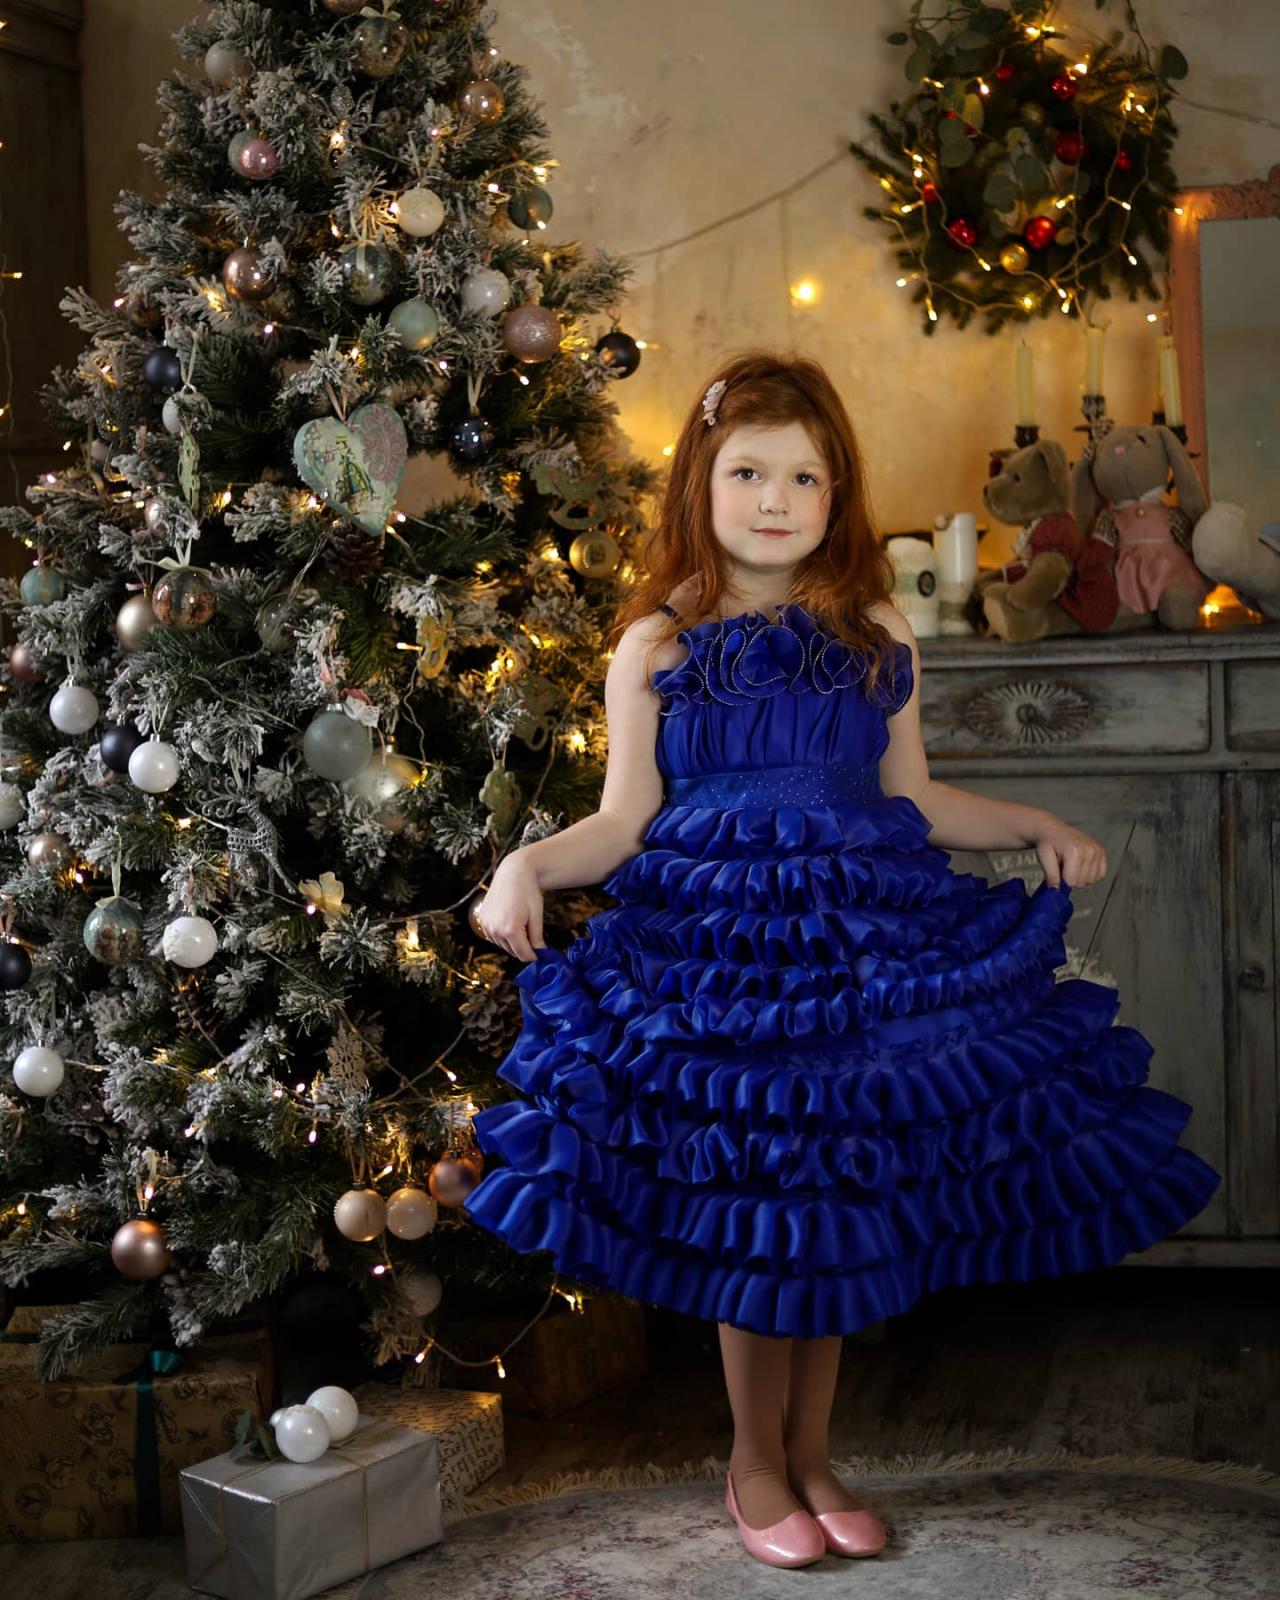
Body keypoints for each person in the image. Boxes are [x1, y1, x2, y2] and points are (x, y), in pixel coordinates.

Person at [463, 350, 1223, 1570]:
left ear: (836, 494)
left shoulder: (872, 630)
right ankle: (752, 1465)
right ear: (700, 483)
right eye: (747, 473)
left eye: (803, 478)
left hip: (852, 950)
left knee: (828, 1204)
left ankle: (813, 1456)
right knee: (763, 1207)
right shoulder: (656, 644)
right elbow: (621, 819)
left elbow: (912, 799)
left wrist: (1029, 822)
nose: (774, 499)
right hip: (723, 962)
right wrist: (524, 866)